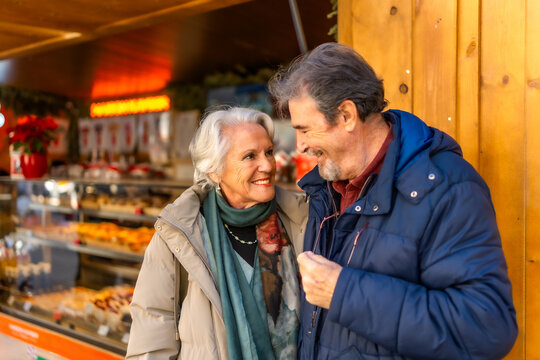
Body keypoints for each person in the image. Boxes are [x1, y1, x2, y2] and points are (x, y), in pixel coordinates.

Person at [268, 42, 518, 360]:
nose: (299, 146)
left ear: (346, 115)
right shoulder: (325, 189)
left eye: (304, 130)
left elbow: (487, 330)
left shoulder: (448, 188)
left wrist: (344, 293)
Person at [126, 107, 308, 359]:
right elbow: (152, 331)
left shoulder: (301, 219)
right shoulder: (179, 235)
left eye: (268, 152)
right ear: (214, 170)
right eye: (249, 156)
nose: (267, 165)